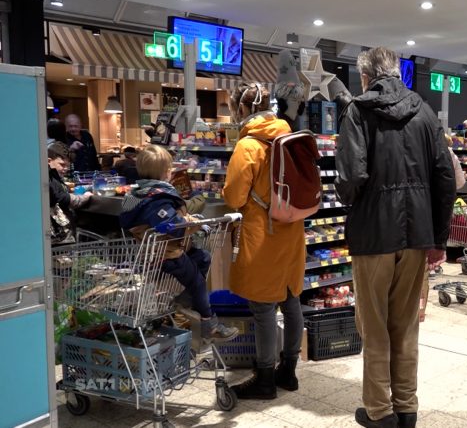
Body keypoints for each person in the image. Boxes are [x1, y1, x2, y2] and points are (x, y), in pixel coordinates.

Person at [335, 46, 456, 428]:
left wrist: (349, 196)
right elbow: (444, 178)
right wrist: (437, 237)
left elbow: (351, 178)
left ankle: (380, 412)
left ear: (366, 77)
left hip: (374, 234)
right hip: (416, 234)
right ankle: (407, 409)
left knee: (374, 328)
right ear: (397, 73)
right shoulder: (424, 111)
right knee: (406, 326)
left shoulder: (357, 111)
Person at [222, 82, 306, 401]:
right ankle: (290, 371)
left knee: (263, 307)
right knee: (291, 297)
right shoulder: (288, 134)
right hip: (292, 227)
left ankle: (266, 377)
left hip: (264, 232)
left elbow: (233, 197)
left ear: (242, 109)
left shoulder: (249, 145)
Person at [119, 145, 238, 344]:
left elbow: (176, 218)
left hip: (169, 249)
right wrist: (196, 225)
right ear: (165, 172)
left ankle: (185, 300)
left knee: (203, 258)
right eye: (169, 168)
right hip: (166, 254)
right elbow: (173, 227)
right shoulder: (156, 199)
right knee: (198, 282)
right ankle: (210, 324)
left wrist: (193, 219)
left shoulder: (142, 193)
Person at [48, 142, 92, 245]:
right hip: (59, 235)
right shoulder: (48, 178)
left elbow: (63, 190)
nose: (66, 169)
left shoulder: (54, 175)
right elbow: (62, 198)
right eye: (62, 165)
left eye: (68, 165)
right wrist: (84, 198)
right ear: (49, 161)